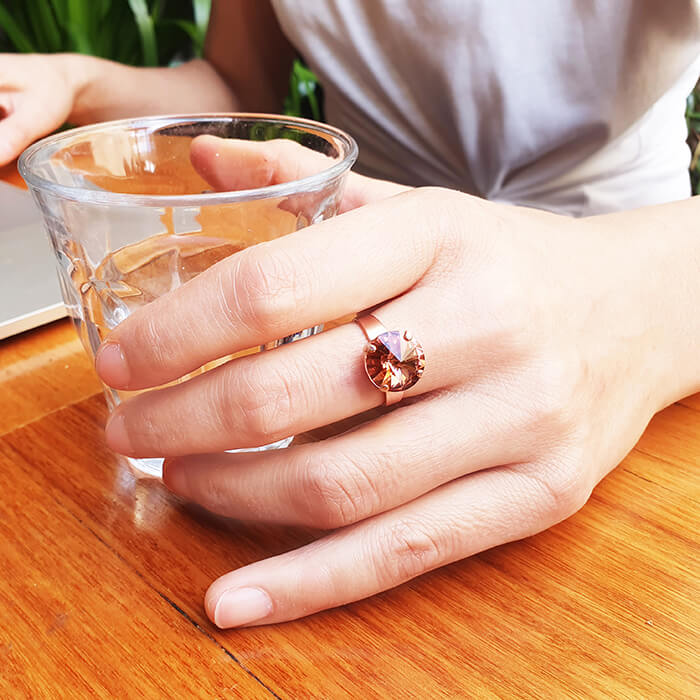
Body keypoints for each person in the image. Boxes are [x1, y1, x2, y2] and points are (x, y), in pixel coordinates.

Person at [1, 1, 699, 629]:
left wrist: (629, 300)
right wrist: (79, 80)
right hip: (349, 303)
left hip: (644, 311)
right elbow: (237, 85)